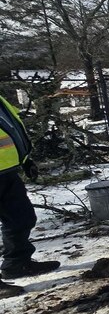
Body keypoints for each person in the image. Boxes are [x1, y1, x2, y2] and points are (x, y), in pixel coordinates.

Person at [1, 94, 59, 298]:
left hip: (6, 170)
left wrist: (25, 160)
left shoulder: (1, 99)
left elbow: (11, 131)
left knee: (21, 218)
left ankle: (17, 264)